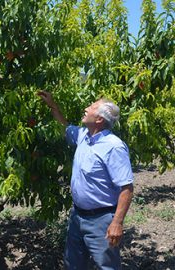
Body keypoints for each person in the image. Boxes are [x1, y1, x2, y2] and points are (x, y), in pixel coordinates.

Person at [38, 91, 133, 270]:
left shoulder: (113, 147)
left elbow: (126, 188)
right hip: (78, 216)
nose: (86, 108)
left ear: (99, 119)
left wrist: (117, 223)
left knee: (107, 266)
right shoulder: (84, 136)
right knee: (73, 264)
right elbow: (64, 126)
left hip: (101, 220)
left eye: (92, 107)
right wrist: (52, 105)